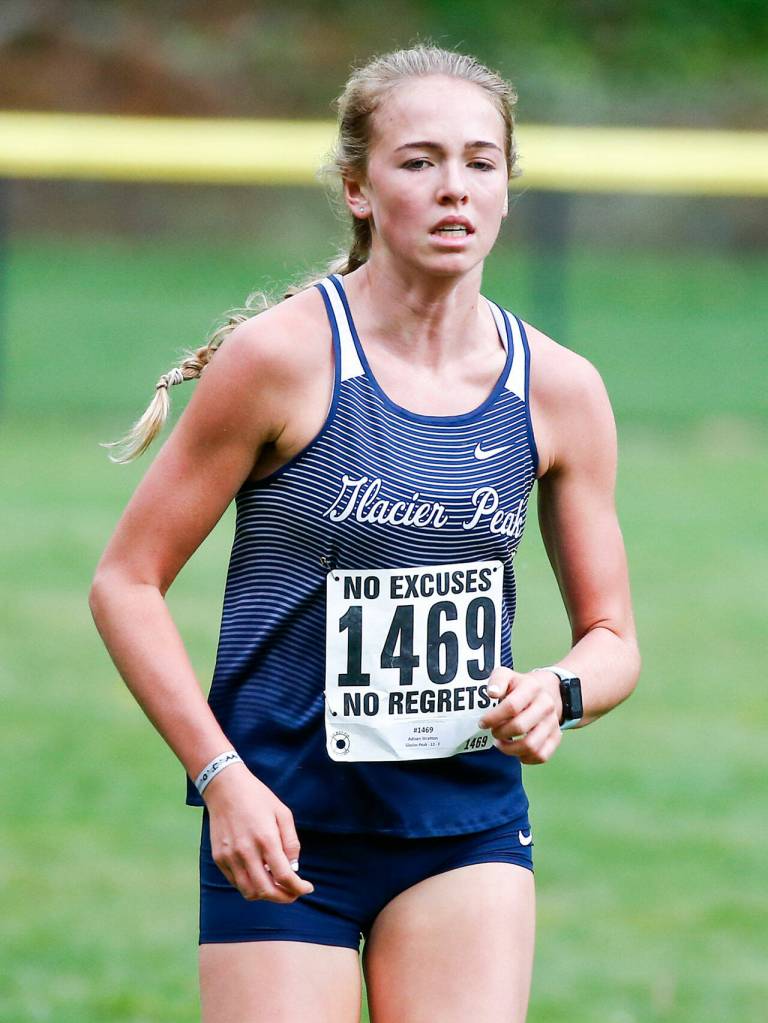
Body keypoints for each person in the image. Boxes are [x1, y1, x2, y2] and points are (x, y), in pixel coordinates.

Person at [89, 43, 640, 1023]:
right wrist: (221, 778)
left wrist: (557, 692)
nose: (454, 187)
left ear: (505, 189)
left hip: (464, 827)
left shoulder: (559, 388)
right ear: (357, 188)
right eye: (419, 161)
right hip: (280, 823)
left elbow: (614, 642)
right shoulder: (280, 361)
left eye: (480, 162)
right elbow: (125, 583)